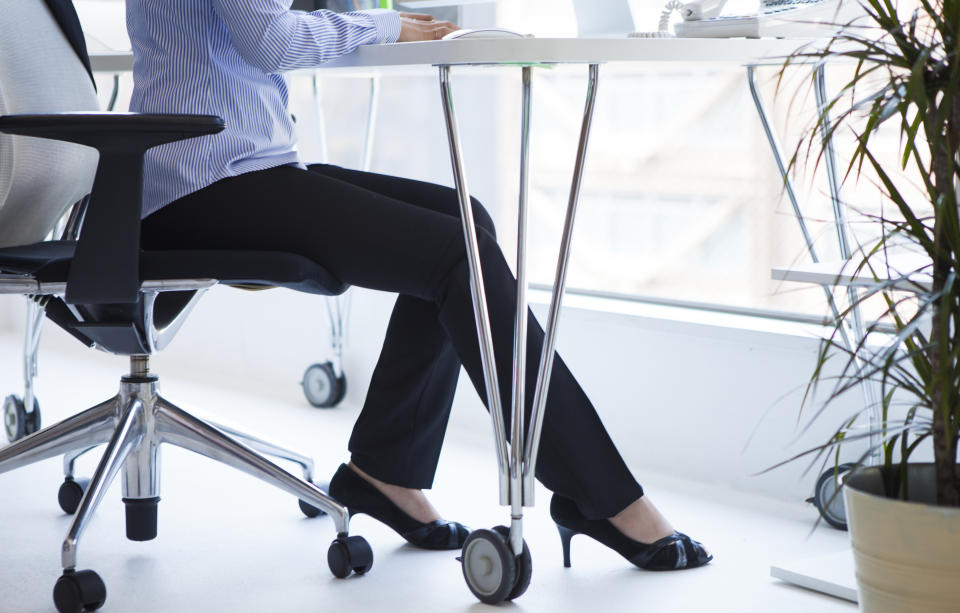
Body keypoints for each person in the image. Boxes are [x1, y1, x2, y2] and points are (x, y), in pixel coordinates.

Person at [131, 0, 711, 571]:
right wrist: (388, 25)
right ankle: (602, 496)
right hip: (202, 188)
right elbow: (272, 42)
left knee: (467, 222)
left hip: (242, 170)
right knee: (458, 254)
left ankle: (386, 472)